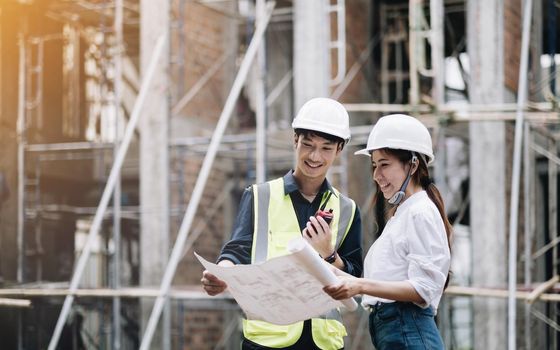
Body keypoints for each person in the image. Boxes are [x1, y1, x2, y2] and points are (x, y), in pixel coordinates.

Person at [201, 97, 363, 350]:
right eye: (307, 144)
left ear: (339, 150)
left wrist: (330, 255)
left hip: (323, 341)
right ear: (295, 140)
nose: (314, 156)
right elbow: (237, 250)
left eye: (326, 148)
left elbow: (355, 277)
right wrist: (222, 273)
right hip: (268, 338)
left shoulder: (347, 209)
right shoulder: (259, 196)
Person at [324, 114, 452, 350]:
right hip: (397, 333)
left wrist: (360, 286)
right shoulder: (404, 213)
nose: (376, 175)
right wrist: (325, 266)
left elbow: (423, 289)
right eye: (374, 165)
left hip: (408, 331)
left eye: (384, 164)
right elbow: (388, 280)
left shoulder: (420, 212)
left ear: (413, 165)